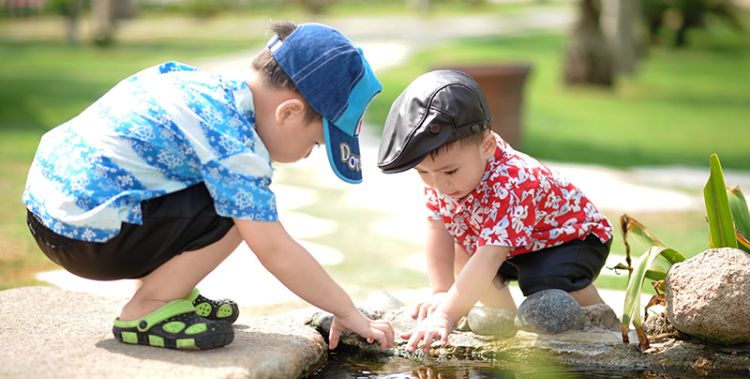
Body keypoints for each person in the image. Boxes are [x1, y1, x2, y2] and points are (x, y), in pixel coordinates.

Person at [23, 21, 394, 351]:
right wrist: (345, 310)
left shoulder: (200, 87)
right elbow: (275, 250)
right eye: (315, 145)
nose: (306, 156)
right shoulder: (233, 143)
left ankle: (170, 291)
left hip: (51, 213)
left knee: (221, 193)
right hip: (86, 238)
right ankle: (148, 308)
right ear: (289, 112)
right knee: (242, 213)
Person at [377, 70, 612, 353]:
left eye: (449, 171)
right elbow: (437, 227)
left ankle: (601, 323)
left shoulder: (512, 181)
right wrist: (442, 291)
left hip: (572, 239)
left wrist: (445, 315)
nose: (439, 184)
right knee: (465, 256)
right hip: (516, 244)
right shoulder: (444, 178)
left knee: (543, 281)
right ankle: (505, 326)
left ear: (487, 146)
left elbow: (491, 255)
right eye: (423, 173)